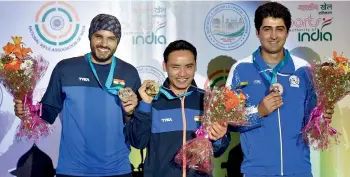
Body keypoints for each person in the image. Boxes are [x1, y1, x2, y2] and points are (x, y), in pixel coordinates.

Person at [13, 14, 140, 177]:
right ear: (90, 36)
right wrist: (27, 109)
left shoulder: (129, 72)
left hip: (117, 169)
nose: (104, 44)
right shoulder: (65, 68)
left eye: (111, 38)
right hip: (73, 170)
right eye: (98, 36)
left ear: (118, 41)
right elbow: (49, 111)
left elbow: (136, 123)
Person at [225, 2, 334, 177]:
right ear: (257, 31)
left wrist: (320, 118)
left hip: (299, 171)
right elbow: (228, 121)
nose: (273, 36)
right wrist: (258, 112)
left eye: (280, 29)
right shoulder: (240, 69)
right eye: (267, 29)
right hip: (257, 171)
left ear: (287, 32)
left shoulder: (304, 69)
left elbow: (310, 124)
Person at [125, 40, 230, 177]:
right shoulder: (151, 101)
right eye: (175, 67)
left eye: (188, 66)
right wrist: (144, 104)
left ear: (195, 66)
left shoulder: (208, 101)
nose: (182, 73)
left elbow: (218, 151)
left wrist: (219, 138)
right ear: (165, 66)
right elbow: (138, 142)